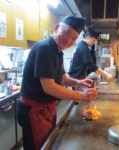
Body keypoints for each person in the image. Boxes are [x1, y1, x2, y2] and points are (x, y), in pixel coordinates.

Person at [16, 16, 97, 150]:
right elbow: (49, 87)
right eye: (66, 33)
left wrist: (80, 82)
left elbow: (62, 77)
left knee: (46, 144)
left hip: (45, 109)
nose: (69, 40)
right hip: (34, 111)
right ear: (56, 27)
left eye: (73, 38)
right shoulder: (44, 48)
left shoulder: (57, 51)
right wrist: (82, 96)